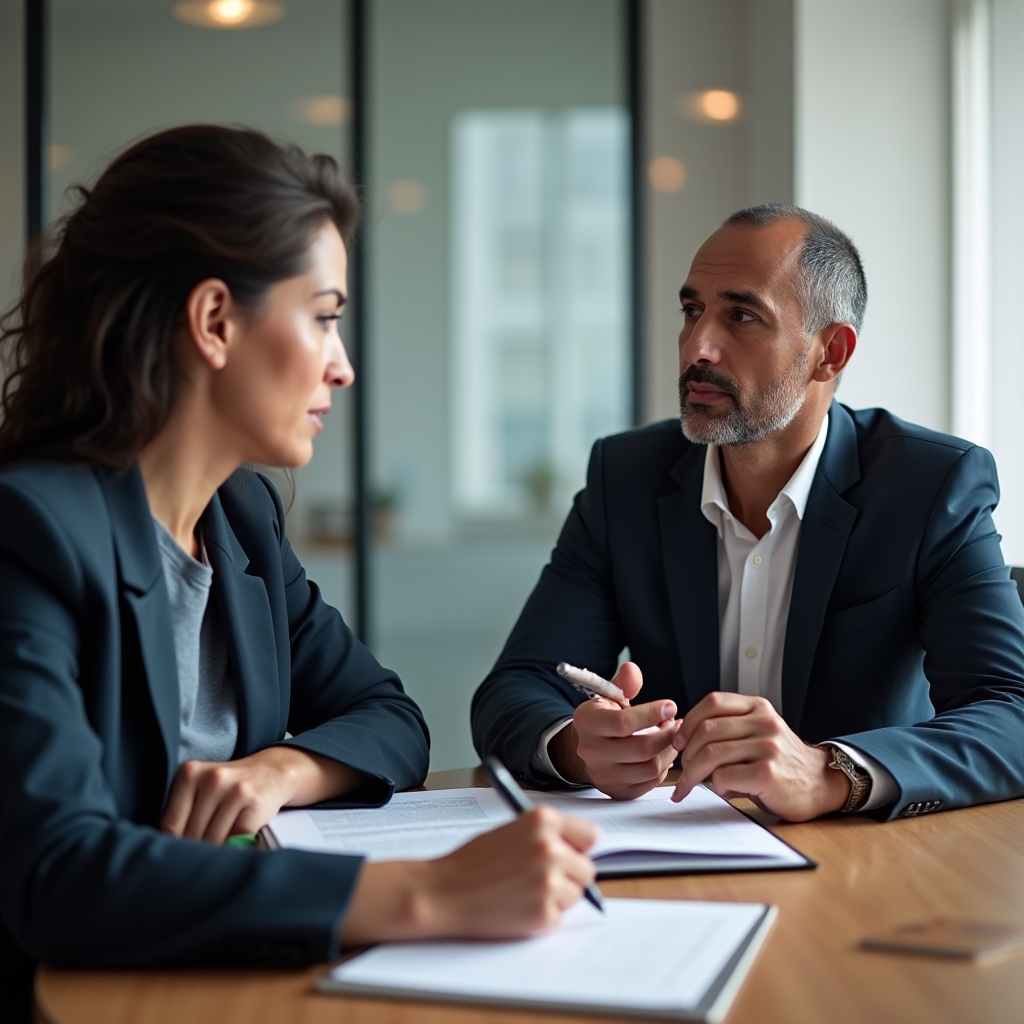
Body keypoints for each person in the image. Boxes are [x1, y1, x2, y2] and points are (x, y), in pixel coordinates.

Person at [0, 125, 598, 1018]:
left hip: (237, 983)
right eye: (322, 317)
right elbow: (59, 875)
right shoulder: (32, 532)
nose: (342, 366)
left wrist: (280, 770)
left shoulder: (240, 519)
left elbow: (391, 718)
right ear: (214, 322)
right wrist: (428, 893)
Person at [472, 203, 1024, 822]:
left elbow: (1012, 711)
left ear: (831, 352)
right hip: (677, 841)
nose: (697, 347)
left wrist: (829, 772)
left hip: (866, 852)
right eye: (692, 311)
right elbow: (517, 686)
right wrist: (578, 747)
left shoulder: (930, 486)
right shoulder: (624, 478)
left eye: (741, 316)